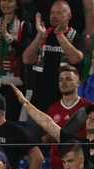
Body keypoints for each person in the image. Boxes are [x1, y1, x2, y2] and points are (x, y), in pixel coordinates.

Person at [21, 0, 85, 144]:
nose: (54, 16)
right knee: (32, 147)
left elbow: (76, 58)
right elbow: (26, 59)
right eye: (52, 13)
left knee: (62, 147)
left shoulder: (76, 37)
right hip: (38, 105)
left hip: (63, 105)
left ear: (69, 15)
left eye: (59, 13)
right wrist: (39, 35)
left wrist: (59, 35)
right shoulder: (43, 36)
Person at [0, 0, 34, 122]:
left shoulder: (24, 25)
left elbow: (25, 51)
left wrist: (8, 37)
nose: (6, 4)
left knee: (11, 120)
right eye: (3, 0)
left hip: (16, 82)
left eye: (10, 1)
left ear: (17, 5)